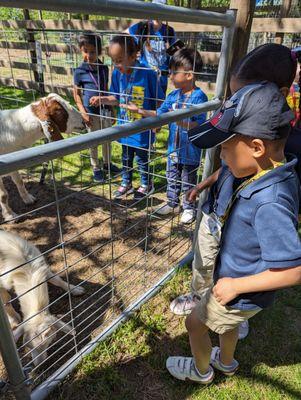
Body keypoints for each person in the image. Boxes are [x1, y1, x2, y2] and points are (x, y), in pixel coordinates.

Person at [166, 81, 301, 384]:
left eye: (225, 148)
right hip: (239, 286)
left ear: (256, 147)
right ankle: (226, 362)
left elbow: (295, 270)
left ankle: (200, 371)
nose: (222, 157)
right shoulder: (270, 171)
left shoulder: (270, 201)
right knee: (228, 327)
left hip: (239, 291)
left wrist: (237, 286)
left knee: (194, 325)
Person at [123, 48, 207, 223]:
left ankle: (188, 206)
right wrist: (139, 110)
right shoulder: (172, 96)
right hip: (173, 149)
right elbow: (159, 114)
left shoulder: (200, 97)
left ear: (189, 75)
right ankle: (171, 202)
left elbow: (199, 124)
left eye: (174, 72)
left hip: (190, 151)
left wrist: (180, 121)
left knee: (187, 179)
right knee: (171, 176)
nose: (170, 76)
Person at [90, 34, 164, 200]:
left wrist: (157, 121)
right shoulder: (117, 74)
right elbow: (115, 97)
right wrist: (102, 99)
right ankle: (127, 182)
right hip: (125, 125)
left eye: (119, 60)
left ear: (133, 56)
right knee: (126, 156)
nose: (116, 65)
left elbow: (159, 101)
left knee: (141, 157)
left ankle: (146, 184)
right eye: (113, 60)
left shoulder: (148, 74)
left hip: (143, 125)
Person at [73, 33, 120, 184]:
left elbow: (106, 89)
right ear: (81, 50)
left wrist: (112, 110)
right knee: (93, 141)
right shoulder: (79, 72)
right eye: (85, 51)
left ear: (99, 51)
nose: (89, 55)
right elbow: (77, 94)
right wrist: (83, 112)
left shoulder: (104, 69)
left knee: (107, 139)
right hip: (90, 113)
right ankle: (96, 168)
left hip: (105, 111)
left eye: (93, 51)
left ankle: (107, 164)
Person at [128, 0, 176, 94]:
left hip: (161, 78)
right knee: (140, 104)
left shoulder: (169, 31)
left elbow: (174, 52)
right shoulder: (143, 27)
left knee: (159, 105)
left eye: (161, 9)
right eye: (155, 9)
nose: (158, 13)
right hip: (143, 76)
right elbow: (126, 34)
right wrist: (133, 53)